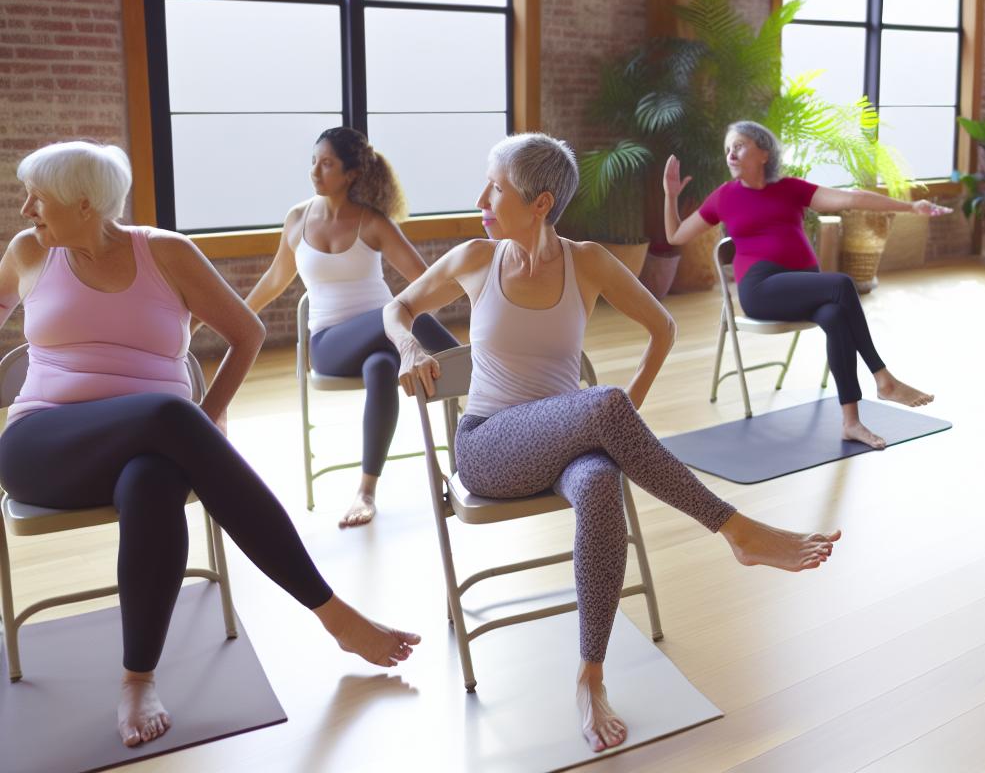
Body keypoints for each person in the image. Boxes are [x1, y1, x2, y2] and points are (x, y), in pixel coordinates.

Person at [388, 132, 840, 752]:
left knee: (602, 481)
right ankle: (736, 530)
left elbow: (665, 327)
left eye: (495, 188)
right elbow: (400, 307)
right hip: (489, 447)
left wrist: (625, 423)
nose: (481, 198)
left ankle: (589, 676)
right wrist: (411, 345)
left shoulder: (588, 262)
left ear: (541, 203)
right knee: (604, 405)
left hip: (568, 448)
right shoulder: (474, 258)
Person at [0, 142, 419, 750]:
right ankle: (334, 614)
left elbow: (246, 333)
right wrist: (195, 422)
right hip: (46, 444)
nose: (26, 206)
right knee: (172, 417)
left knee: (155, 480)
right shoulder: (28, 253)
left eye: (39, 195)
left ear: (84, 203)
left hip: (151, 447)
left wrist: (208, 413)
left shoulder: (165, 253)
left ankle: (137, 678)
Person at [662, 121, 952, 449]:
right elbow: (675, 235)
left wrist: (910, 207)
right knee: (842, 284)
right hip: (761, 290)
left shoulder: (790, 188)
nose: (731, 153)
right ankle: (883, 378)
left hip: (804, 287)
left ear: (763, 153)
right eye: (728, 148)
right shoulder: (724, 197)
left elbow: (850, 199)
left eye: (739, 146)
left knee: (835, 316)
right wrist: (670, 196)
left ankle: (851, 423)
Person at [237, 128, 459, 527]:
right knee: (396, 312)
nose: (315, 172)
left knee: (381, 367)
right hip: (330, 344)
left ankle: (366, 491)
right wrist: (234, 315)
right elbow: (274, 280)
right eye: (314, 162)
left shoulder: (372, 223)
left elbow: (423, 281)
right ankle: (480, 379)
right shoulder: (298, 219)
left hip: (383, 341)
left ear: (352, 173)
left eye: (326, 164)